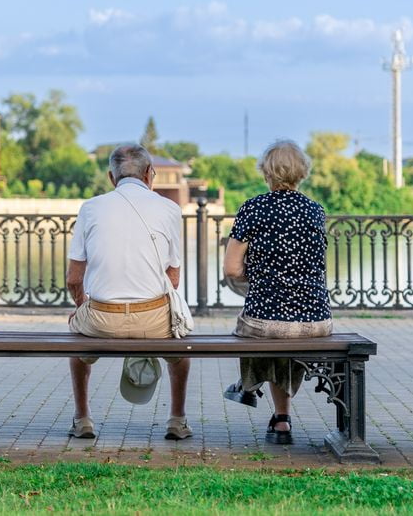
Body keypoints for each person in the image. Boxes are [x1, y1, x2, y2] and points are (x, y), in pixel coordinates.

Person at [65, 144, 192, 440]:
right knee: (182, 353)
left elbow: (74, 278)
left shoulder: (91, 208)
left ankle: (82, 419)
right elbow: (173, 278)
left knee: (75, 342)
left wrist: (83, 305)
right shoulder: (170, 208)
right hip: (153, 320)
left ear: (112, 177)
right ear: (150, 174)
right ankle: (177, 420)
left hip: (101, 319)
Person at [222, 139, 332, 445]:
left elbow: (231, 269)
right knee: (284, 332)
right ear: (302, 173)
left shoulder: (254, 208)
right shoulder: (315, 210)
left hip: (265, 319)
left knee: (260, 326)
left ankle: (249, 384)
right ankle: (281, 418)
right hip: (317, 321)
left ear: (266, 173)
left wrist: (257, 277)